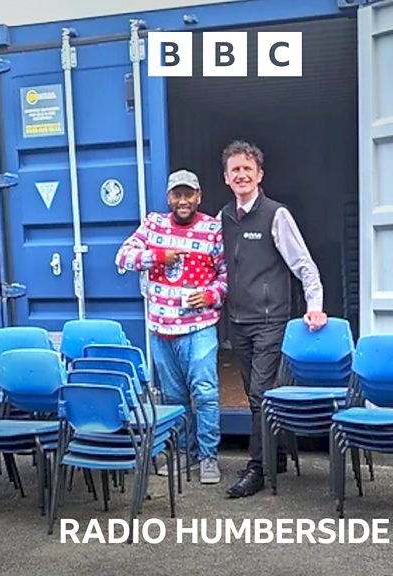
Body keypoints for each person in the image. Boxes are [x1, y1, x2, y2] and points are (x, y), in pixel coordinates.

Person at [218, 140, 327, 498]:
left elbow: (303, 265)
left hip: (270, 320)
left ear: (259, 175)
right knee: (256, 395)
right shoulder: (223, 218)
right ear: (227, 178)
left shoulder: (276, 215)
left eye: (248, 168)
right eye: (236, 169)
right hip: (238, 321)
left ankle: (257, 470)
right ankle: (276, 454)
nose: (242, 175)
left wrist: (315, 304)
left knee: (261, 393)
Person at [115, 169, 227, 484]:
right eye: (177, 194)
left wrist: (209, 294)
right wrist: (158, 256)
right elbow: (122, 257)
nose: (182, 200)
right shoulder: (153, 224)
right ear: (169, 198)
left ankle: (208, 457)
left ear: (198, 197)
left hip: (200, 328)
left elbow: (229, 275)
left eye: (188, 194)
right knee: (173, 398)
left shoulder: (212, 229)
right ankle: (184, 454)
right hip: (161, 330)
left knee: (205, 393)